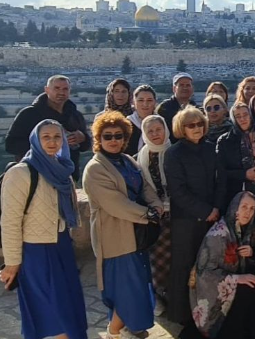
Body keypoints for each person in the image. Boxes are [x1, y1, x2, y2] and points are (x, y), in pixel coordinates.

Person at [0, 119, 87, 339]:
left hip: (61, 246)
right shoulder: (21, 173)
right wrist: (12, 262)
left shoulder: (62, 169)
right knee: (53, 315)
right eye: (46, 137)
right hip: (36, 251)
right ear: (35, 140)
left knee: (68, 308)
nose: (52, 141)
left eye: (57, 137)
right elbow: (10, 220)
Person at [83, 111, 163, 339]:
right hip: (116, 238)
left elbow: (145, 186)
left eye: (118, 135)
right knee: (126, 289)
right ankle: (114, 331)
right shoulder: (95, 168)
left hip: (136, 234)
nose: (114, 140)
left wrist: (155, 204)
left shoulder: (128, 160)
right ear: (99, 138)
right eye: (108, 136)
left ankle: (132, 326)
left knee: (138, 284)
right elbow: (115, 203)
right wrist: (147, 213)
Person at [164, 106, 227, 332]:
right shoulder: (174, 153)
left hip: (211, 215)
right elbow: (177, 190)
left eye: (200, 123)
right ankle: (182, 313)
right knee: (184, 265)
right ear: (182, 128)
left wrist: (217, 207)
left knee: (208, 264)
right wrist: (204, 210)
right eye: (191, 125)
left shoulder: (211, 149)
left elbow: (221, 180)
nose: (197, 128)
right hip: (187, 221)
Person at [190, 191, 255, 339]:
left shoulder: (243, 230)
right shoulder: (218, 235)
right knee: (248, 289)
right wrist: (237, 279)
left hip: (230, 279)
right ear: (235, 208)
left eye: (252, 208)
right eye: (244, 206)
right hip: (211, 290)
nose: (248, 212)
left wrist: (251, 255)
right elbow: (204, 273)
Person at [6, 75, 90, 182]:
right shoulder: (29, 114)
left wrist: (83, 138)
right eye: (56, 88)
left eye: (65, 89)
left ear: (69, 91)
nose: (61, 92)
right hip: (35, 176)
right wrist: (44, 146)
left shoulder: (75, 115)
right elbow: (11, 145)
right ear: (47, 90)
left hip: (66, 177)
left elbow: (85, 146)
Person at [135, 115, 172, 318]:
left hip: (178, 214)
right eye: (150, 131)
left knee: (177, 258)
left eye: (159, 129)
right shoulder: (141, 156)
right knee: (157, 260)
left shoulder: (175, 151)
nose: (155, 134)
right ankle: (158, 296)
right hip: (155, 215)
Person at [217, 102, 255, 210]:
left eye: (245, 115)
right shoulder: (225, 141)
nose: (242, 119)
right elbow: (221, 172)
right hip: (236, 194)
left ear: (250, 115)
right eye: (238, 116)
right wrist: (244, 174)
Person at [157, 72, 197, 143]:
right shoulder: (164, 108)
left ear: (192, 89)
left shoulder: (196, 108)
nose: (185, 88)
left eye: (188, 85)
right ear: (174, 88)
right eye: (181, 85)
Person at [127, 84, 157, 156]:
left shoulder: (162, 123)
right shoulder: (126, 125)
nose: (145, 104)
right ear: (134, 102)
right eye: (141, 100)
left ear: (155, 102)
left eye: (149, 100)